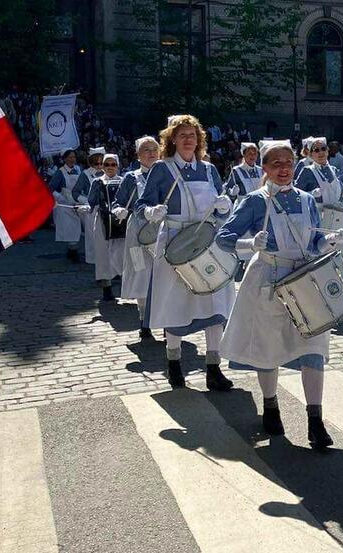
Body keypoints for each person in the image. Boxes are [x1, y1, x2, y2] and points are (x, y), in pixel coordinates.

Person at [216, 140, 343, 449]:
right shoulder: (255, 201)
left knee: (314, 347)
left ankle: (315, 420)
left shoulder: (307, 200)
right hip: (268, 278)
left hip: (305, 280)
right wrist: (249, 245)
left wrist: (332, 240)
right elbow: (224, 238)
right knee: (269, 346)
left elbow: (313, 244)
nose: (283, 169)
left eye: (288, 163)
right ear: (264, 168)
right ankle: (270, 405)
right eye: (275, 163)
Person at [136, 114, 235, 390]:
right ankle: (174, 364)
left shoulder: (209, 169)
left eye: (193, 135)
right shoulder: (161, 169)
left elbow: (221, 198)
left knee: (215, 303)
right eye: (182, 135)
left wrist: (225, 206)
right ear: (172, 140)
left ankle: (214, 368)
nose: (188, 139)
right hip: (174, 244)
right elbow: (141, 204)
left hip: (206, 242)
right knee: (175, 304)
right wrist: (150, 211)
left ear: (199, 139)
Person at [114, 136, 160, 337]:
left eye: (154, 149)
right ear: (138, 155)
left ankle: (168, 321)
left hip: (162, 231)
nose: (151, 153)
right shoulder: (131, 178)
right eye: (146, 150)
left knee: (163, 275)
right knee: (140, 272)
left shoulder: (166, 174)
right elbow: (118, 202)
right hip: (136, 235)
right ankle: (144, 320)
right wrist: (118, 211)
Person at [86, 154, 125, 301]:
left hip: (122, 223)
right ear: (102, 166)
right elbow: (91, 202)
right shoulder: (97, 182)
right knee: (103, 255)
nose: (109, 167)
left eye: (113, 164)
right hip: (102, 222)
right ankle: (107, 288)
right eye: (106, 164)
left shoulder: (124, 181)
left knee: (123, 253)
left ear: (118, 166)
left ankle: (127, 285)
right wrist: (86, 207)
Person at [72, 147, 106, 265]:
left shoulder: (109, 172)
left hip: (107, 210)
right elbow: (75, 192)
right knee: (93, 236)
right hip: (92, 210)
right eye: (96, 163)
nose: (99, 165)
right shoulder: (85, 175)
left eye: (102, 162)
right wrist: (87, 201)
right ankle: (94, 260)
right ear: (91, 162)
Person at [49, 149, 83, 262]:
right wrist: (60, 198)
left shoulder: (78, 169)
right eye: (69, 157)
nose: (72, 159)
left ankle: (72, 250)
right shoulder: (60, 172)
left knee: (76, 228)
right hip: (65, 205)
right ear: (64, 159)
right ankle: (73, 252)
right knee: (70, 228)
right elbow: (50, 188)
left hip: (77, 203)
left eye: (73, 157)